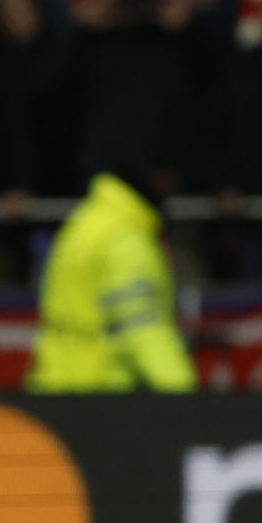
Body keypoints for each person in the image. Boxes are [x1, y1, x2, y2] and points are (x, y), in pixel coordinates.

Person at [26, 146, 198, 393]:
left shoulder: (82, 221)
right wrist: (186, 394)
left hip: (52, 383)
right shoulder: (126, 240)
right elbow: (143, 327)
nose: (170, 189)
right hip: (98, 394)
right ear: (153, 177)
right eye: (167, 179)